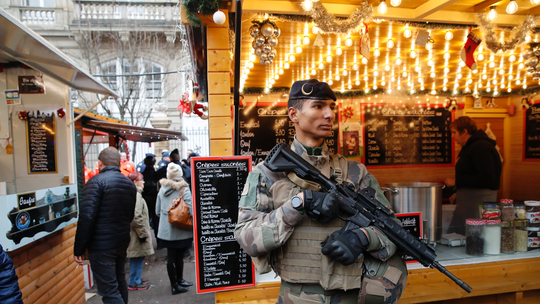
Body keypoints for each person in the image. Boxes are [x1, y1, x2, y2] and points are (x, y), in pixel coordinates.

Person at [235, 79, 407, 304]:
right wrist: (297, 205)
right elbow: (246, 237)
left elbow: (394, 232)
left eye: (331, 107)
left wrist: (362, 238)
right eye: (318, 106)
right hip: (296, 297)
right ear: (293, 114)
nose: (329, 115)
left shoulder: (354, 172)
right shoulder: (267, 174)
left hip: (352, 296)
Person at [74, 147, 137, 304]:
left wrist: (79, 249)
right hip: (121, 241)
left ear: (100, 163)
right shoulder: (129, 184)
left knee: (109, 290)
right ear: (118, 163)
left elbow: (87, 217)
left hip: (101, 245)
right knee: (119, 280)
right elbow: (130, 215)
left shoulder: (95, 182)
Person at [445, 116, 502, 235]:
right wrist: (459, 191)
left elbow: (487, 178)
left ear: (464, 132)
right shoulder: (471, 146)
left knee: (474, 238)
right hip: (467, 201)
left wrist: (456, 182)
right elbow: (472, 173)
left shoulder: (481, 147)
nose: (453, 136)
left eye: (454, 132)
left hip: (478, 203)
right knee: (456, 236)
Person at [156, 163, 194, 295]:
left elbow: (157, 211)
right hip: (182, 230)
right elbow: (192, 210)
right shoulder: (184, 189)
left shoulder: (162, 188)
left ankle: (176, 283)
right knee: (179, 257)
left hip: (166, 231)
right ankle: (177, 283)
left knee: (171, 257)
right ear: (180, 176)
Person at [126, 172, 155, 291]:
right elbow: (136, 217)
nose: (143, 182)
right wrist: (142, 234)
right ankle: (134, 282)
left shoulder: (133, 194)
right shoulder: (136, 196)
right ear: (134, 182)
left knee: (138, 256)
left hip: (135, 232)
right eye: (141, 180)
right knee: (136, 256)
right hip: (137, 234)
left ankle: (136, 278)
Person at [142, 155, 159, 237]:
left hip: (145, 198)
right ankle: (158, 240)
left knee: (145, 218)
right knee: (156, 219)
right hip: (155, 198)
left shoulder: (142, 174)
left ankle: (145, 238)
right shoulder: (156, 174)